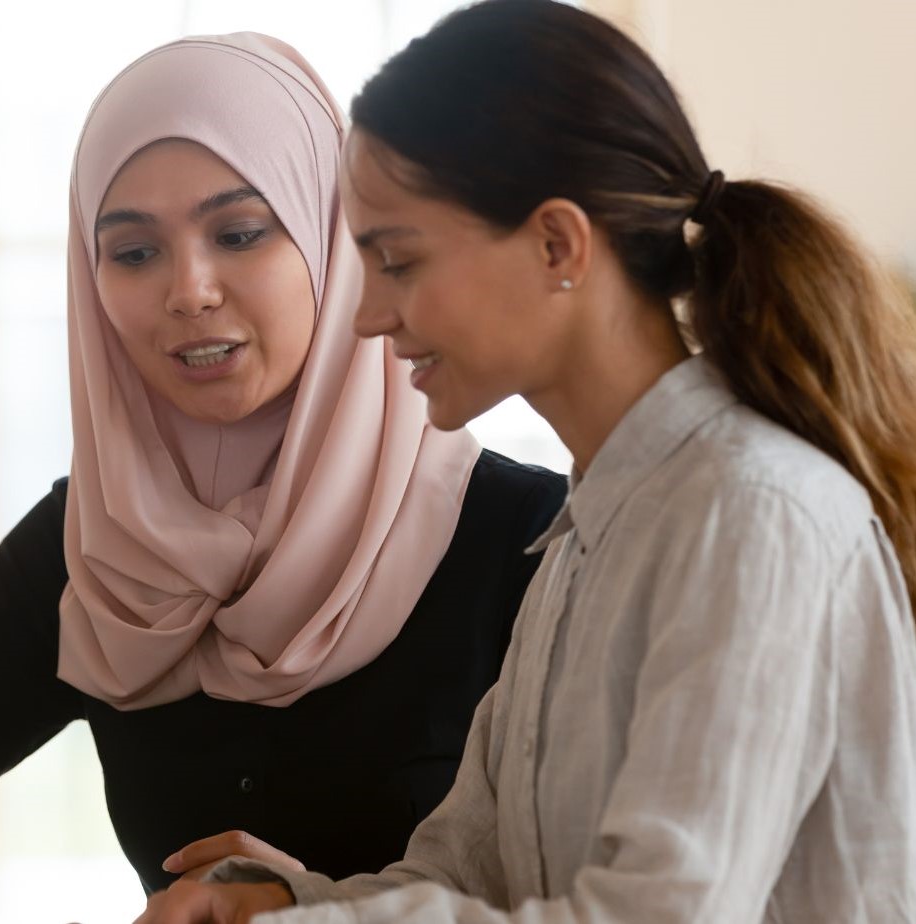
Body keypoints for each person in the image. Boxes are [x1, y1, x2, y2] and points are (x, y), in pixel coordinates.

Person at [136, 1, 916, 921]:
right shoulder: (584, 537)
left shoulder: (753, 514)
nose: (367, 315)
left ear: (557, 243)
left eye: (398, 259)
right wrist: (280, 903)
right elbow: (470, 878)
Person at [0, 31, 566, 894]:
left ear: (336, 241)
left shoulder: (533, 542)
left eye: (241, 233)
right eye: (134, 253)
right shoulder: (97, 538)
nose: (189, 290)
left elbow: (598, 895)